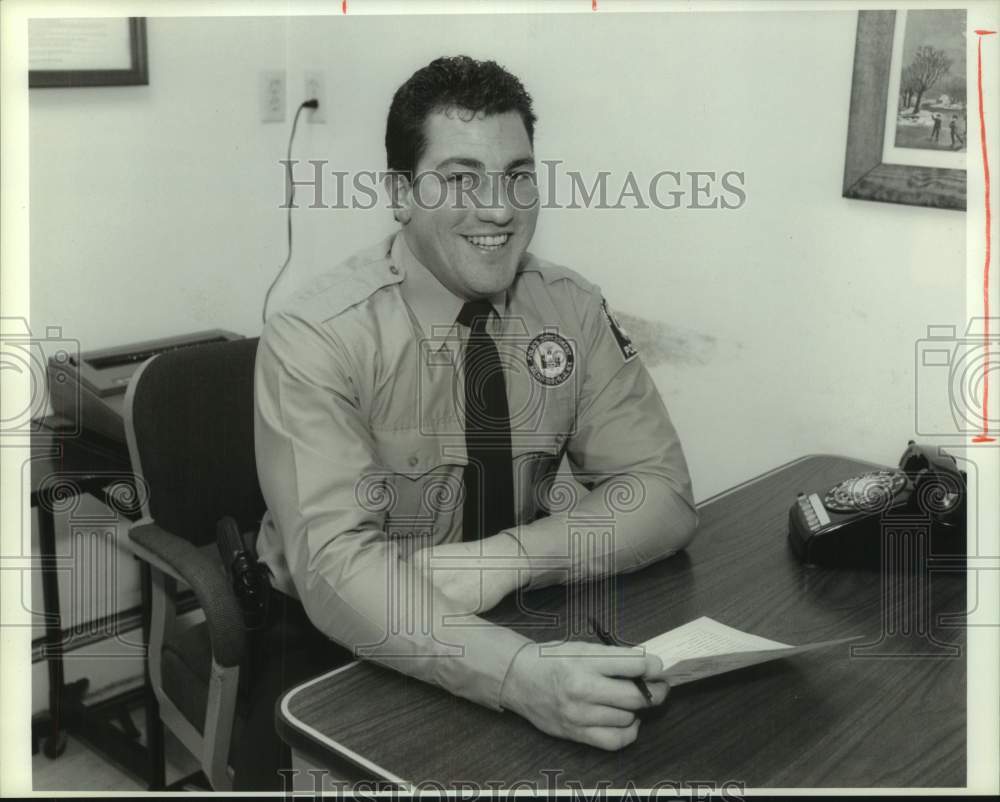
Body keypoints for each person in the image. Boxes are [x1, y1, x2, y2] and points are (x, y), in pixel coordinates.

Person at [247, 55, 698, 789]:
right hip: (335, 642)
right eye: (460, 179)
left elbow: (661, 491)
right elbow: (335, 567)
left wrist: (505, 560)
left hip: (512, 612)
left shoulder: (569, 307)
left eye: (518, 176)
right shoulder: (316, 335)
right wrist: (516, 676)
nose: (498, 209)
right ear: (400, 194)